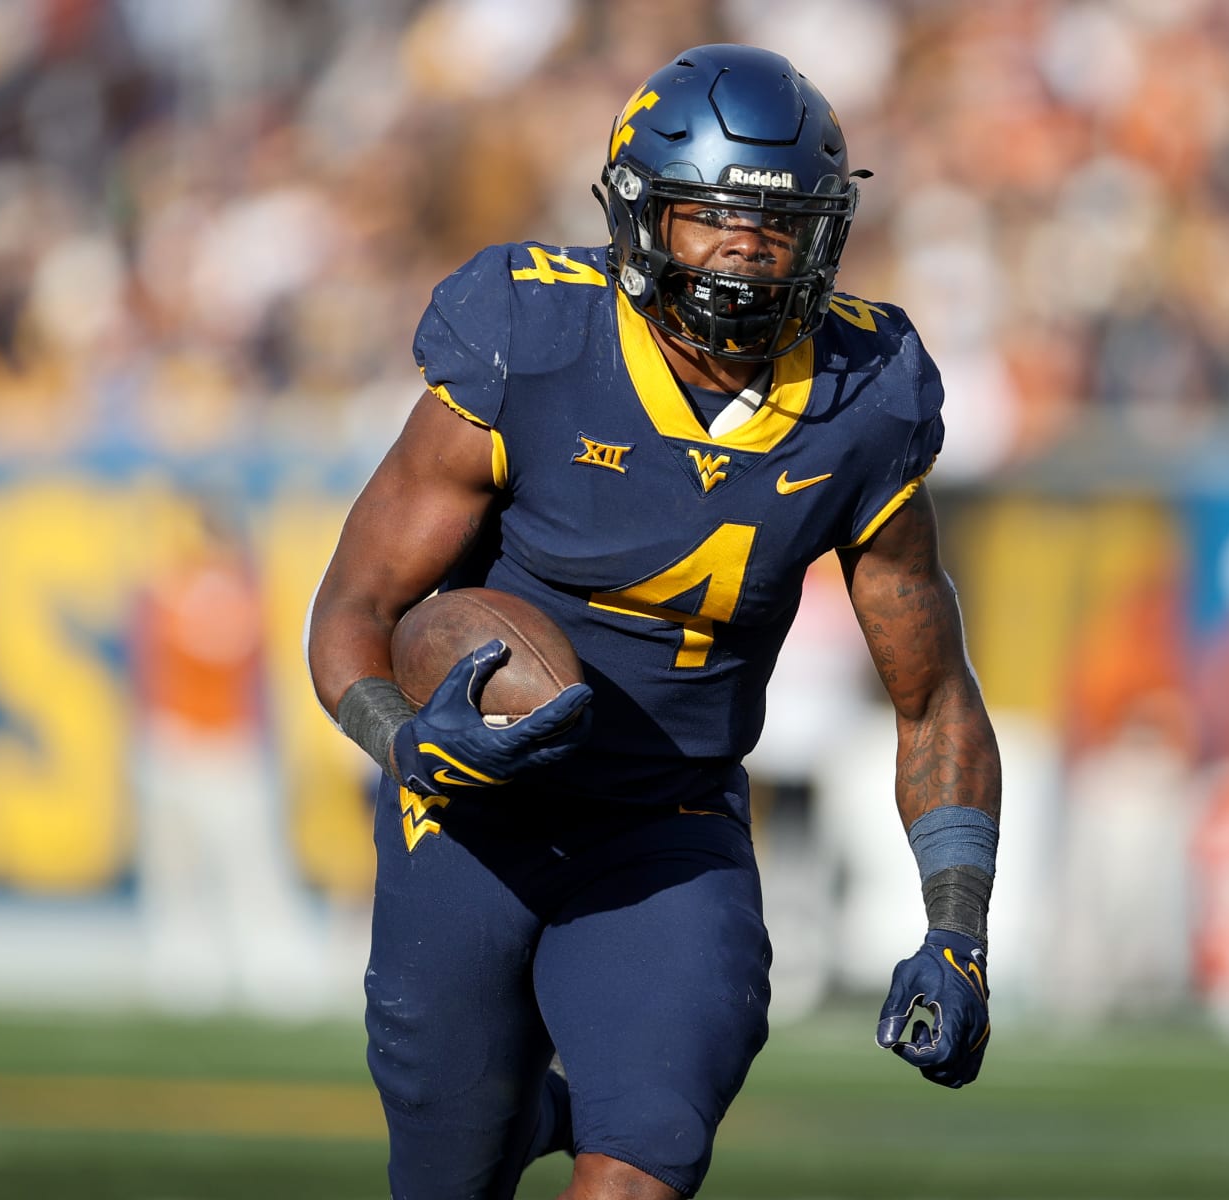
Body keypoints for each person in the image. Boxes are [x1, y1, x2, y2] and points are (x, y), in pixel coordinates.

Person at [305, 44, 1003, 1200]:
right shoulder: (532, 335)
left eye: (776, 229)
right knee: (450, 1166)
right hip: (476, 813)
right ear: (641, 218)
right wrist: (404, 741)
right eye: (711, 222)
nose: (745, 257)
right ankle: (521, 1106)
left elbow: (933, 696)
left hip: (668, 821)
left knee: (637, 1174)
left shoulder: (864, 399)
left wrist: (958, 929)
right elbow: (355, 608)